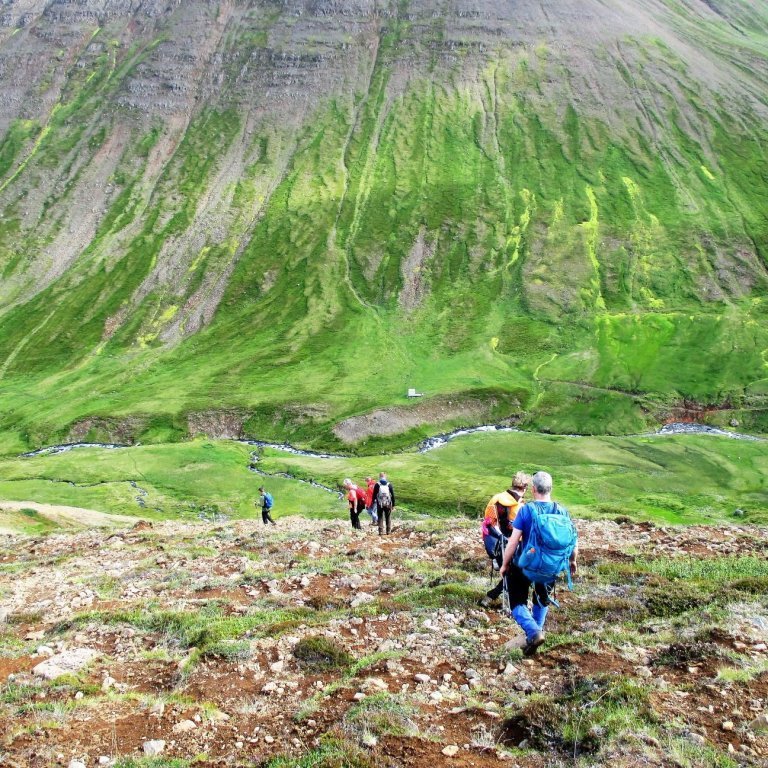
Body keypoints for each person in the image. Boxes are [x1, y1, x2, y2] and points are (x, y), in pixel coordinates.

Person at [500, 471, 578, 656]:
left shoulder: (526, 510)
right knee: (542, 598)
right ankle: (536, 633)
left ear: (533, 489)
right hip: (551, 565)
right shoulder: (562, 510)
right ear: (550, 488)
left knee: (517, 601)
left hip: (527, 564)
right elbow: (573, 540)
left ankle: (533, 632)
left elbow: (513, 541)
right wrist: (573, 560)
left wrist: (504, 564)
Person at [480, 472, 530, 606]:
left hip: (497, 543)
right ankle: (508, 602)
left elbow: (488, 522)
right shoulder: (521, 507)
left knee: (510, 573)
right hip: (515, 546)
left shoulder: (496, 499)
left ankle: (492, 596)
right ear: (524, 487)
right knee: (515, 574)